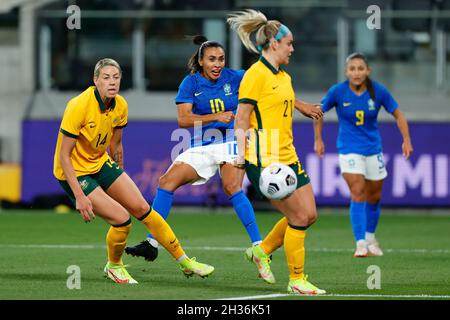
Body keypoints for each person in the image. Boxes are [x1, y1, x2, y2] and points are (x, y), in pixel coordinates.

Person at [125, 35, 323, 262]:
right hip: (203, 143)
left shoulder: (237, 77)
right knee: (166, 182)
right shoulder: (190, 83)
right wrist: (215, 116)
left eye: (221, 59)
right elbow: (184, 120)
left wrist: (301, 105)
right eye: (212, 59)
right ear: (201, 61)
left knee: (231, 186)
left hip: (232, 141)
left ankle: (259, 245)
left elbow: (273, 90)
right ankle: (152, 242)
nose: (217, 64)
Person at [53, 58, 214, 284]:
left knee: (142, 208)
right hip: (74, 171)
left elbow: (116, 145)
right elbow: (63, 155)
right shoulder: (78, 105)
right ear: (95, 80)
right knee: (122, 219)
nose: (112, 82)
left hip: (100, 163)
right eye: (106, 77)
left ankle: (185, 262)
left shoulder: (120, 105)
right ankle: (114, 266)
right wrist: (79, 196)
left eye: (116, 77)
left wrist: (118, 175)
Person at [227, 9, 326, 295]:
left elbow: (280, 97)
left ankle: (262, 251)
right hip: (264, 159)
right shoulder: (254, 75)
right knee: (298, 218)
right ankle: (297, 279)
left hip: (288, 155)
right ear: (274, 45)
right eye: (289, 44)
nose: (292, 49)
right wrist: (240, 154)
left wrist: (302, 106)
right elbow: (243, 116)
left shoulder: (284, 76)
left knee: (310, 215)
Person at [313, 52, 413, 257]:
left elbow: (398, 114)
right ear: (346, 71)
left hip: (373, 149)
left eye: (360, 69)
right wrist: (318, 139)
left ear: (368, 71)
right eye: (352, 69)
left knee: (374, 196)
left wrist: (407, 140)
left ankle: (370, 237)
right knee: (357, 191)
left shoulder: (378, 91)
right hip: (348, 148)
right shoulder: (338, 92)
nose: (356, 73)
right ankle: (360, 242)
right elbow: (318, 112)